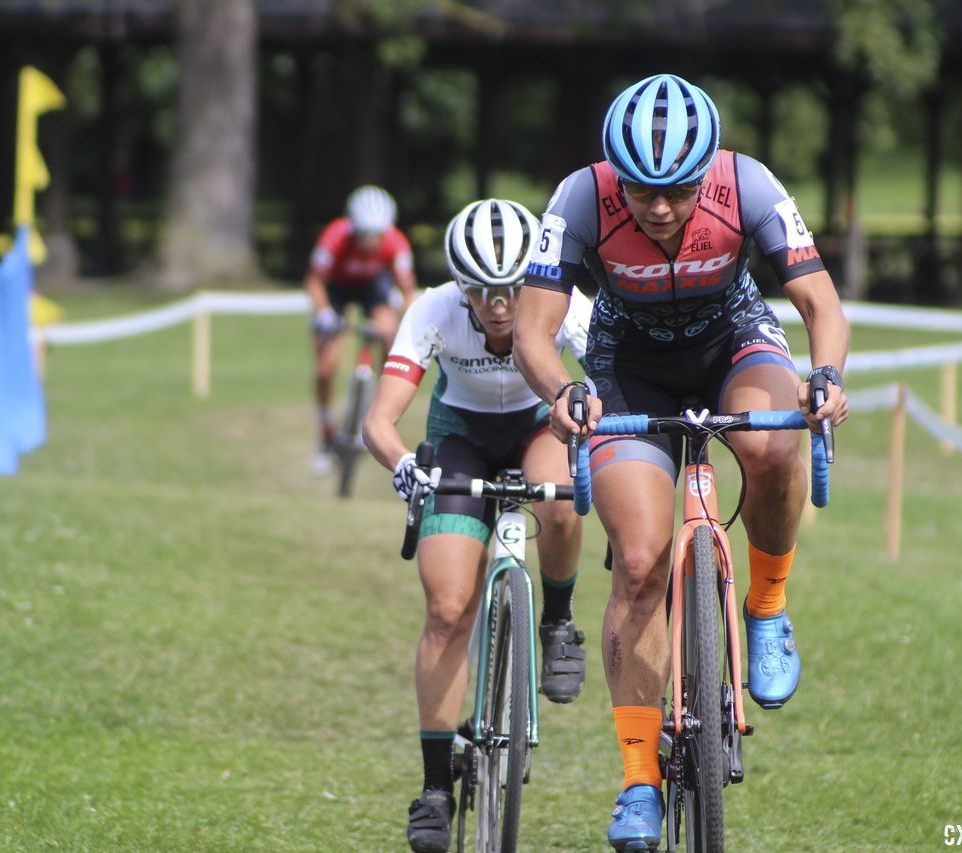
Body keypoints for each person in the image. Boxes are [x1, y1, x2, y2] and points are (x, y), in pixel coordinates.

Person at [512, 73, 850, 851]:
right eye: (640, 190)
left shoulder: (749, 184)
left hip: (733, 339)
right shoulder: (576, 199)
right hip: (626, 364)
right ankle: (638, 778)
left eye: (678, 190)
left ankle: (766, 607)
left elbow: (820, 305)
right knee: (637, 560)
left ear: (707, 173)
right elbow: (534, 330)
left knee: (772, 442)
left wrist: (827, 375)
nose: (659, 208)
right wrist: (562, 389)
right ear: (613, 175)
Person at [362, 198, 594, 853]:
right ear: (459, 286)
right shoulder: (432, 309)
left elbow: (612, 379)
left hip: (535, 427)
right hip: (458, 441)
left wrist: (604, 439)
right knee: (447, 608)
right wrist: (404, 464)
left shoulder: (564, 301)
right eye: (482, 291)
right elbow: (379, 420)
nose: (498, 304)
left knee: (561, 496)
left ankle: (557, 620)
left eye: (512, 289)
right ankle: (436, 787)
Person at [305, 184, 419, 470]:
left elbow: (408, 290)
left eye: (376, 234)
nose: (370, 240)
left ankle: (381, 408)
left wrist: (410, 319)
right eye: (364, 234)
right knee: (325, 366)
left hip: (373, 287)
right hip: (336, 289)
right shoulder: (334, 237)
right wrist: (323, 313)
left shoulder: (396, 242)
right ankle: (325, 430)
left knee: (390, 336)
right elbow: (314, 280)